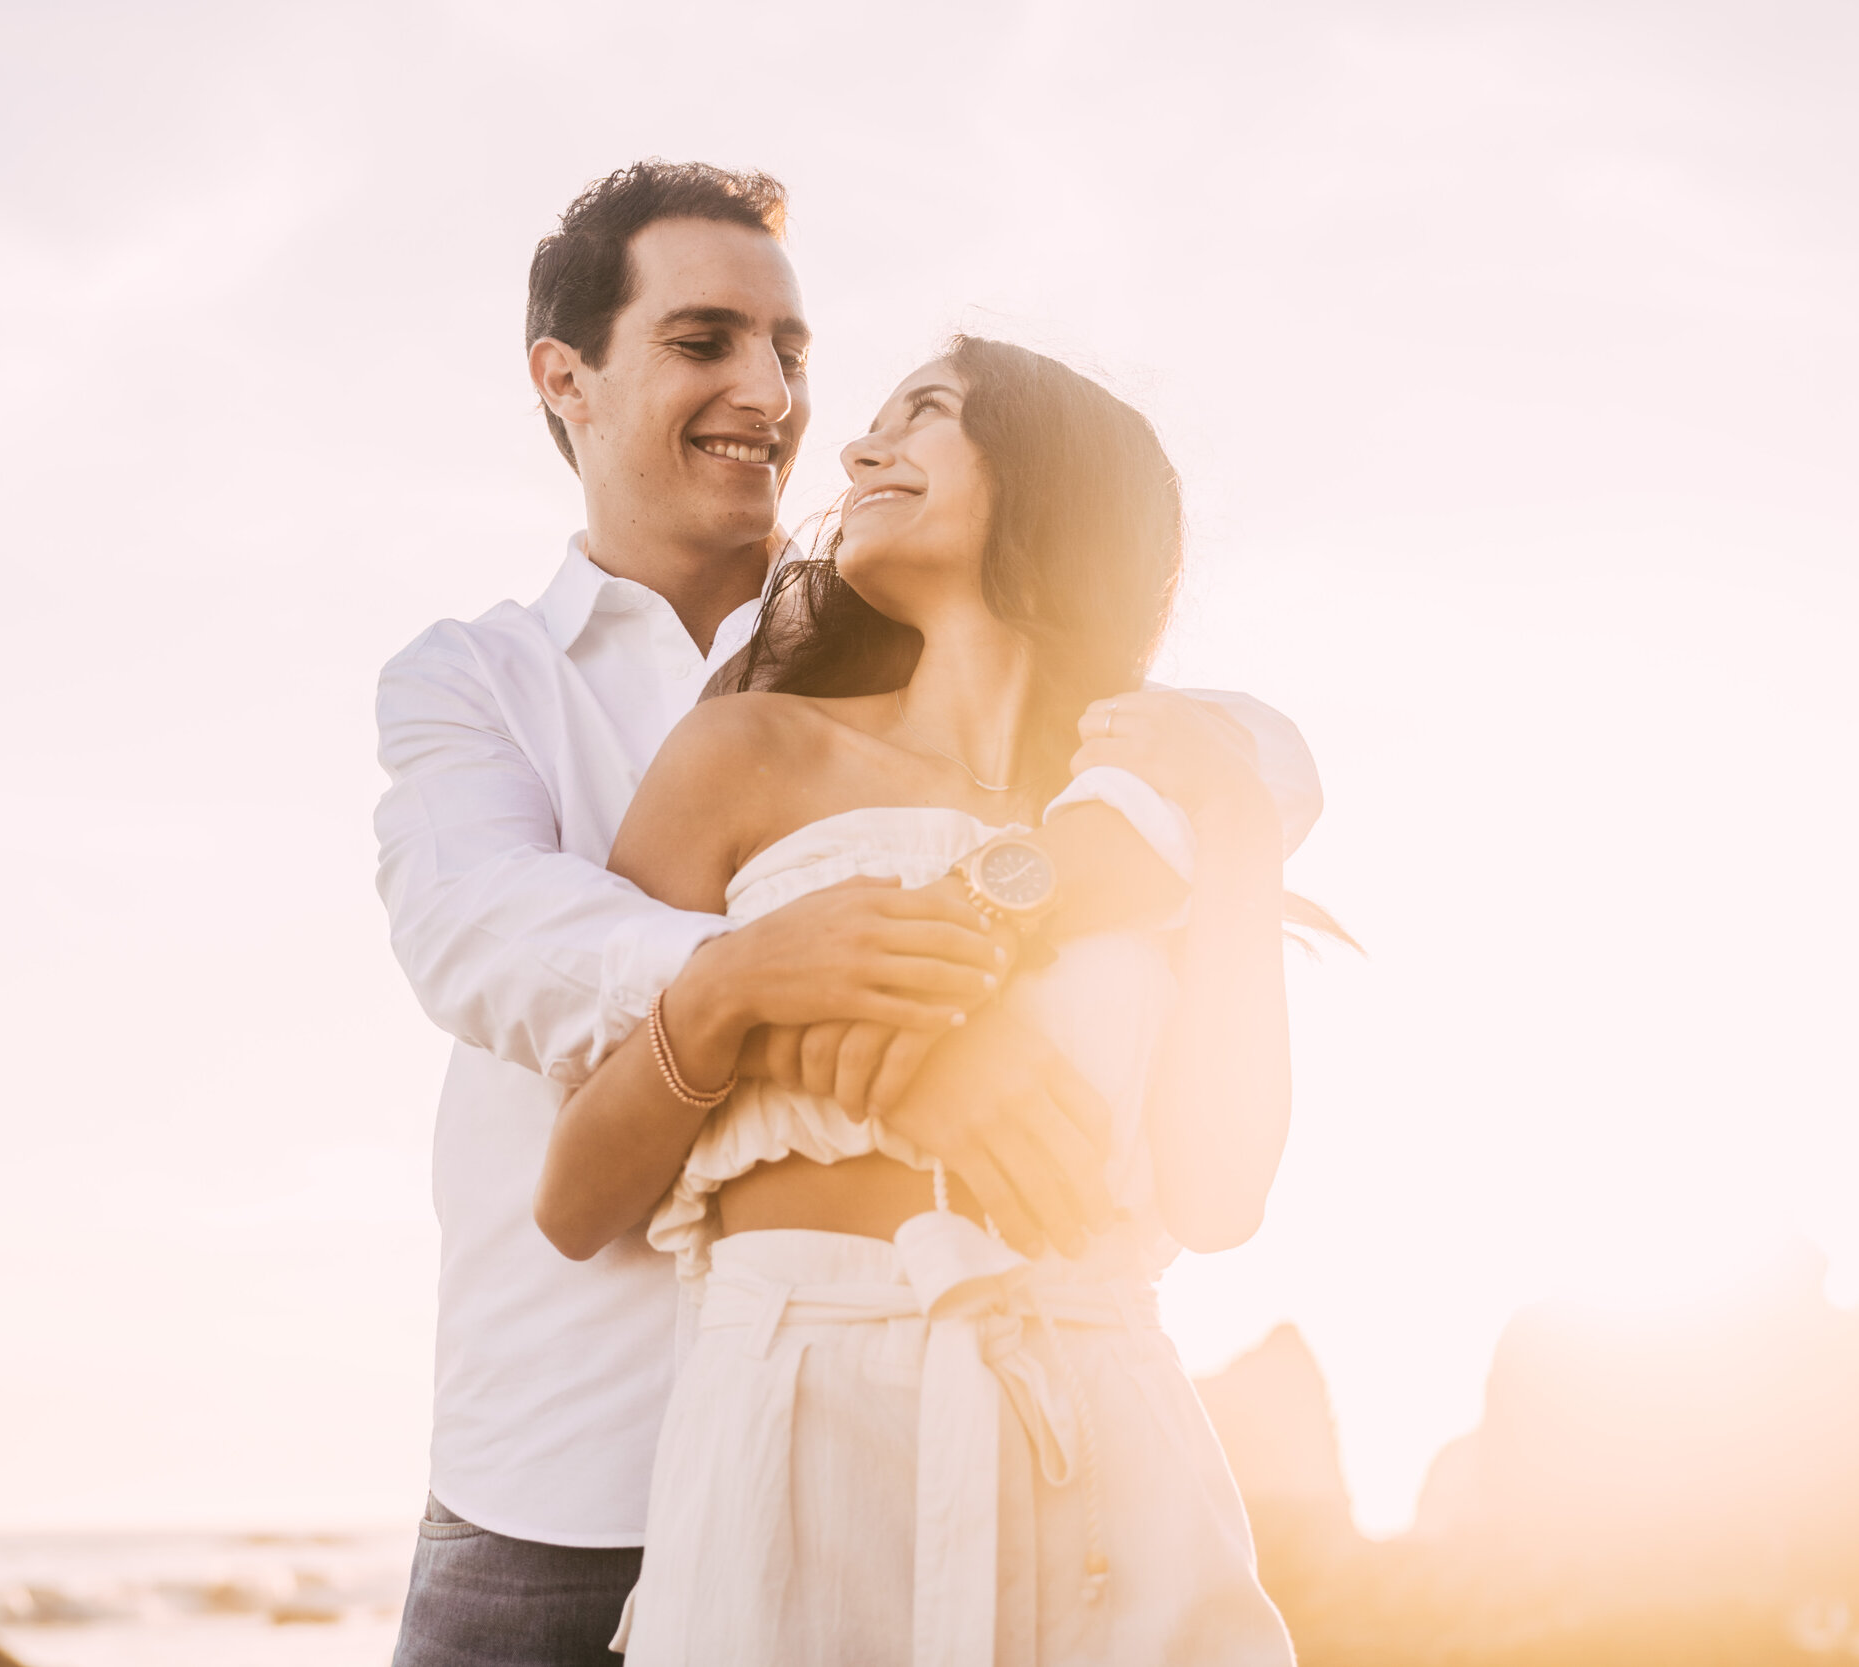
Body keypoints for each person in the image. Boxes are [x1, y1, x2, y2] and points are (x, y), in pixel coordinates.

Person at [374, 160, 1321, 1667]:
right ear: (568, 378)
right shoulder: (494, 688)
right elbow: (489, 939)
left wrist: (1026, 900)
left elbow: (1256, 766)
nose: (785, 397)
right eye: (703, 341)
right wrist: (818, 1001)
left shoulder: (1095, 762)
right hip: (584, 1468)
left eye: (795, 352)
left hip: (1081, 1433)